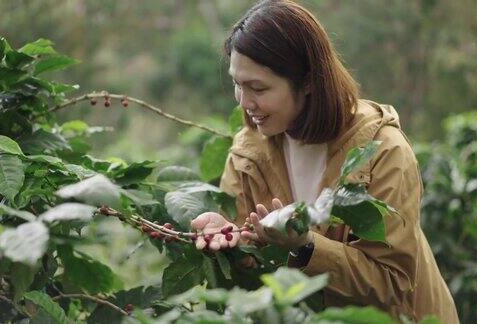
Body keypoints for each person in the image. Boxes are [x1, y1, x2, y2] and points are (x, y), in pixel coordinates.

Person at [190, 0, 459, 322]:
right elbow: (250, 269)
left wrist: (306, 246)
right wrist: (231, 241)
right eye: (237, 83)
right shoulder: (248, 153)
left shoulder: (383, 152)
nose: (245, 103)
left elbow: (392, 283)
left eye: (258, 88)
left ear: (308, 81)